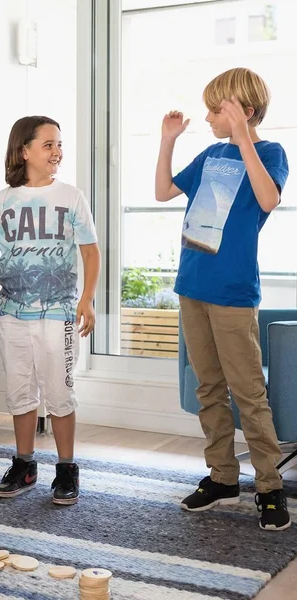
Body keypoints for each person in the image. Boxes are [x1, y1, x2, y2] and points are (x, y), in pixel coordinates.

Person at [155, 67, 290, 530]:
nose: (209, 118)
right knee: (208, 387)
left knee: (248, 392)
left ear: (246, 111)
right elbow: (163, 191)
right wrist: (168, 140)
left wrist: (242, 136)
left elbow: (268, 200)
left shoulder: (269, 153)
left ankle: (269, 486)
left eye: (217, 110)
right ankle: (222, 477)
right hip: (192, 286)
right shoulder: (211, 154)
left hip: (233, 292)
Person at [0, 116, 100, 506]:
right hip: (12, 316)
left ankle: (66, 469)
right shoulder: (3, 201)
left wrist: (87, 299)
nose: (57, 151)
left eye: (59, 144)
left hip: (59, 315)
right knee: (20, 392)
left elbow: (91, 253)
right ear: (24, 150)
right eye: (48, 144)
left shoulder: (72, 197)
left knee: (60, 393)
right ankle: (24, 465)